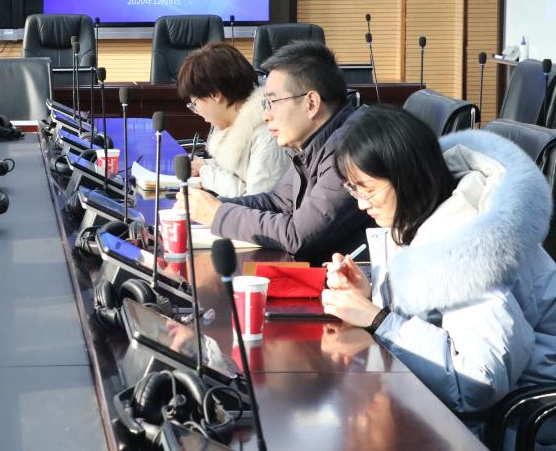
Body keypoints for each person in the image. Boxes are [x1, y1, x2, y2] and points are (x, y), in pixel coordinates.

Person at [321, 105, 556, 436]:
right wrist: (369, 294)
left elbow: (478, 383)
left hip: (521, 425)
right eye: (353, 189)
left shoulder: (469, 249)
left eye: (368, 189)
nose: (361, 203)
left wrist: (379, 320)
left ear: (406, 178)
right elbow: (431, 315)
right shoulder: (428, 215)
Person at [181, 41, 372, 264]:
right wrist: (212, 204)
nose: (266, 115)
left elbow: (298, 235)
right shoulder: (313, 143)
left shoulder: (352, 148)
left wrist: (218, 214)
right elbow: (277, 201)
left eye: (273, 102)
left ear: (311, 103)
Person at [176, 42, 289, 197]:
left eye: (195, 104)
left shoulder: (268, 133)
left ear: (215, 95)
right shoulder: (233, 122)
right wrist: (206, 166)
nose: (197, 111)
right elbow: (236, 173)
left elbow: (258, 200)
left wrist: (206, 174)